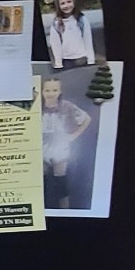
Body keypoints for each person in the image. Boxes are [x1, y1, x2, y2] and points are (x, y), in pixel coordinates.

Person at [39, 74, 94, 209]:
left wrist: (73, 136)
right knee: (41, 182)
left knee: (61, 182)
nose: (51, 94)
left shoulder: (67, 106)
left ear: (60, 91)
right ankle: (42, 211)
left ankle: (65, 211)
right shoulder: (37, 107)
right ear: (42, 91)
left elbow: (86, 119)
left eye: (55, 90)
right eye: (47, 90)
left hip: (59, 148)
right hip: (41, 148)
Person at [44, 0, 94, 65]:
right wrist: (58, 63)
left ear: (74, 2)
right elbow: (55, 45)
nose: (66, 5)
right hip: (66, 60)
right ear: (58, 5)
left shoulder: (81, 19)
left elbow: (88, 40)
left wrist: (91, 61)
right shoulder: (56, 23)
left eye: (69, 2)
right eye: (63, 3)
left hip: (82, 59)